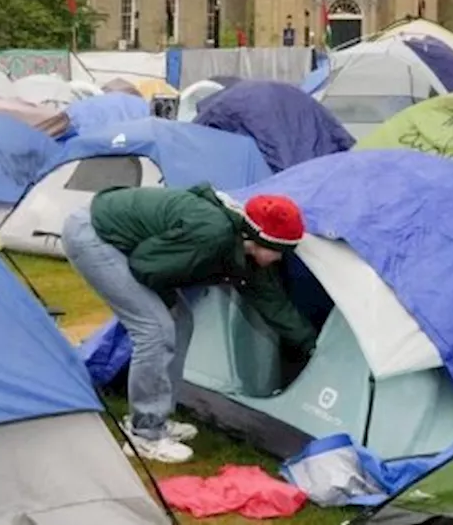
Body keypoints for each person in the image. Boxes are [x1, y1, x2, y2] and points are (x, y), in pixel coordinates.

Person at [62, 182, 317, 464]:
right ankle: (145, 434)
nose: (280, 258)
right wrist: (168, 301)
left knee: (181, 323)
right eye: (279, 250)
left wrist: (312, 346)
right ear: (258, 240)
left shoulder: (241, 250)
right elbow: (147, 266)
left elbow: (273, 303)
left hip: (121, 237)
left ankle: (157, 417)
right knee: (155, 330)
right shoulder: (213, 235)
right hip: (95, 235)